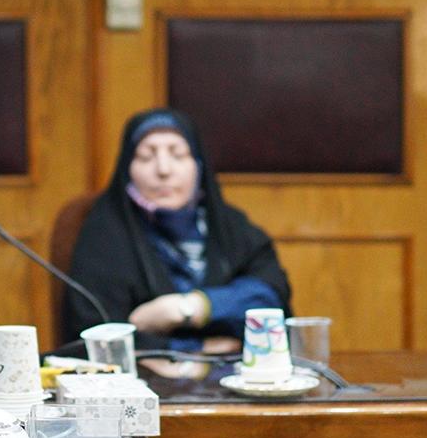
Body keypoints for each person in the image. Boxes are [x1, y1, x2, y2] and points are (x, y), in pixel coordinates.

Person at [63, 108, 291, 352]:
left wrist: (192, 307)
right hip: (143, 374)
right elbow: (95, 333)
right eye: (146, 157)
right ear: (127, 169)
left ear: (198, 165)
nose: (163, 170)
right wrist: (196, 351)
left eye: (178, 155)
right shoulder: (104, 235)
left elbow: (271, 299)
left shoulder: (231, 226)